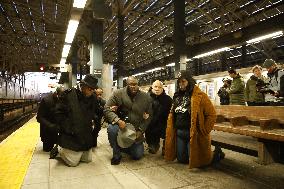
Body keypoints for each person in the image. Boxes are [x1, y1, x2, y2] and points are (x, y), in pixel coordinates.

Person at [164, 70, 222, 168]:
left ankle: (216, 154)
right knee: (182, 160)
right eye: (179, 82)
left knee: (198, 161)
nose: (181, 84)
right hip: (179, 133)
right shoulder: (177, 96)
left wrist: (205, 130)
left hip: (193, 133)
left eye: (183, 81)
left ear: (189, 81)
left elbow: (212, 114)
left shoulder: (200, 96)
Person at [51, 74, 102, 167]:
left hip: (85, 135)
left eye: (93, 89)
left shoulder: (93, 97)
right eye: (90, 89)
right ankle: (59, 149)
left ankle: (77, 152)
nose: (91, 92)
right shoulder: (67, 95)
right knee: (73, 163)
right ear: (82, 85)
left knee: (87, 160)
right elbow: (58, 114)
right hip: (71, 134)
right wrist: (68, 128)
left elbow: (97, 111)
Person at [104, 76, 152, 165]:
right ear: (127, 85)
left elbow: (149, 116)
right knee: (111, 128)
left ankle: (125, 146)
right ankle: (117, 153)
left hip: (135, 130)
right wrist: (117, 120)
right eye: (131, 85)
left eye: (135, 84)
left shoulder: (146, 97)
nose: (134, 87)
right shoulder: (117, 94)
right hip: (121, 127)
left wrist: (141, 130)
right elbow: (106, 109)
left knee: (137, 155)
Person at [145, 80, 172, 155]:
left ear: (162, 88)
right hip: (150, 124)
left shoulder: (168, 99)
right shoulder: (146, 97)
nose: (157, 89)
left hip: (163, 123)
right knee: (152, 148)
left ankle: (165, 147)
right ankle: (152, 145)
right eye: (155, 87)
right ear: (152, 87)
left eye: (159, 87)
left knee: (167, 132)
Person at [37, 87, 64, 152]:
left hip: (59, 129)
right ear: (56, 94)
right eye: (60, 97)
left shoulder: (62, 100)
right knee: (47, 149)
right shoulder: (46, 101)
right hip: (47, 131)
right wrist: (50, 125)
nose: (61, 100)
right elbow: (39, 117)